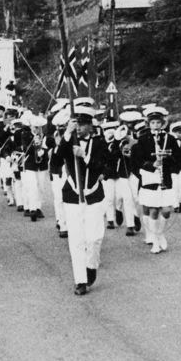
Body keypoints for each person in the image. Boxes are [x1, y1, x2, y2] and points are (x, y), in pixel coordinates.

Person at [52, 105, 110, 296]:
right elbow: (56, 163)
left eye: (83, 124)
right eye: (75, 123)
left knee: (94, 238)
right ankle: (80, 280)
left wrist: (84, 156)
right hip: (72, 195)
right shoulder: (67, 141)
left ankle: (91, 265)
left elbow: (102, 165)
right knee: (76, 240)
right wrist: (67, 136)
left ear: (90, 126)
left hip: (93, 195)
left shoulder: (99, 143)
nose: (78, 128)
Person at [132, 106, 181, 254]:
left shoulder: (170, 138)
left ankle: (160, 234)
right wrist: (151, 165)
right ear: (148, 124)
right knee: (153, 210)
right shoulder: (143, 139)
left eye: (158, 122)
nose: (155, 125)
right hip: (150, 179)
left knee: (166, 210)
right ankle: (154, 239)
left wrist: (167, 158)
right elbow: (138, 160)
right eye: (152, 123)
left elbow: (178, 158)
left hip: (165, 177)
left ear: (162, 123)